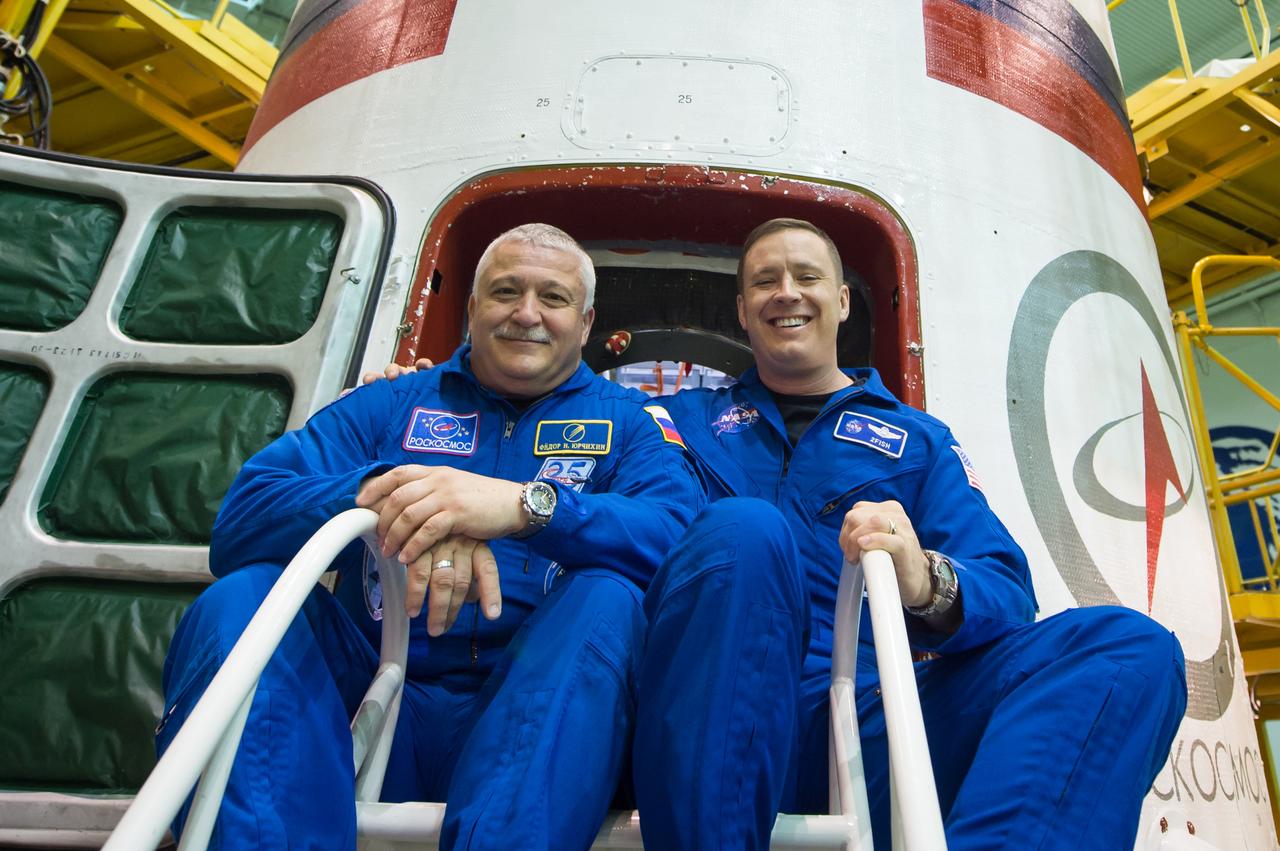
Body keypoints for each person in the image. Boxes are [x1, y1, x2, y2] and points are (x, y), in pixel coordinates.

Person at [372, 219, 1188, 850]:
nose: (785, 292)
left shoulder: (920, 441)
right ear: (741, 308)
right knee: (745, 528)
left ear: (841, 301)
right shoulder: (667, 422)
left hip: (858, 717)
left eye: (807, 277)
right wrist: (415, 404)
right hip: (688, 712)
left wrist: (922, 576)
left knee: (1129, 649)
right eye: (764, 279)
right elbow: (541, 409)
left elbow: (1008, 592)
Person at [157, 223, 702, 850]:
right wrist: (397, 493)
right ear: (471, 309)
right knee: (242, 599)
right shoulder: (390, 403)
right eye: (505, 292)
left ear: (585, 323)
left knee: (609, 596)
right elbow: (242, 518)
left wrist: (530, 508)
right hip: (373, 696)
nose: (526, 314)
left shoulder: (630, 425)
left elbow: (683, 538)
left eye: (552, 298)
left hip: (538, 707)